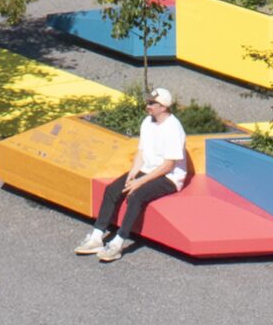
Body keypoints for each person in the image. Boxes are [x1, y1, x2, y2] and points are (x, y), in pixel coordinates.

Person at [77, 87, 190, 262]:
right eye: (148, 102)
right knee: (113, 190)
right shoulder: (147, 122)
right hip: (148, 169)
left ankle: (117, 243)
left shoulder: (174, 129)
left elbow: (168, 166)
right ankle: (97, 236)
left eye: (152, 103)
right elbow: (141, 152)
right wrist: (132, 174)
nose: (148, 106)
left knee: (136, 195)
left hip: (169, 177)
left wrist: (140, 182)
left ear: (164, 106)